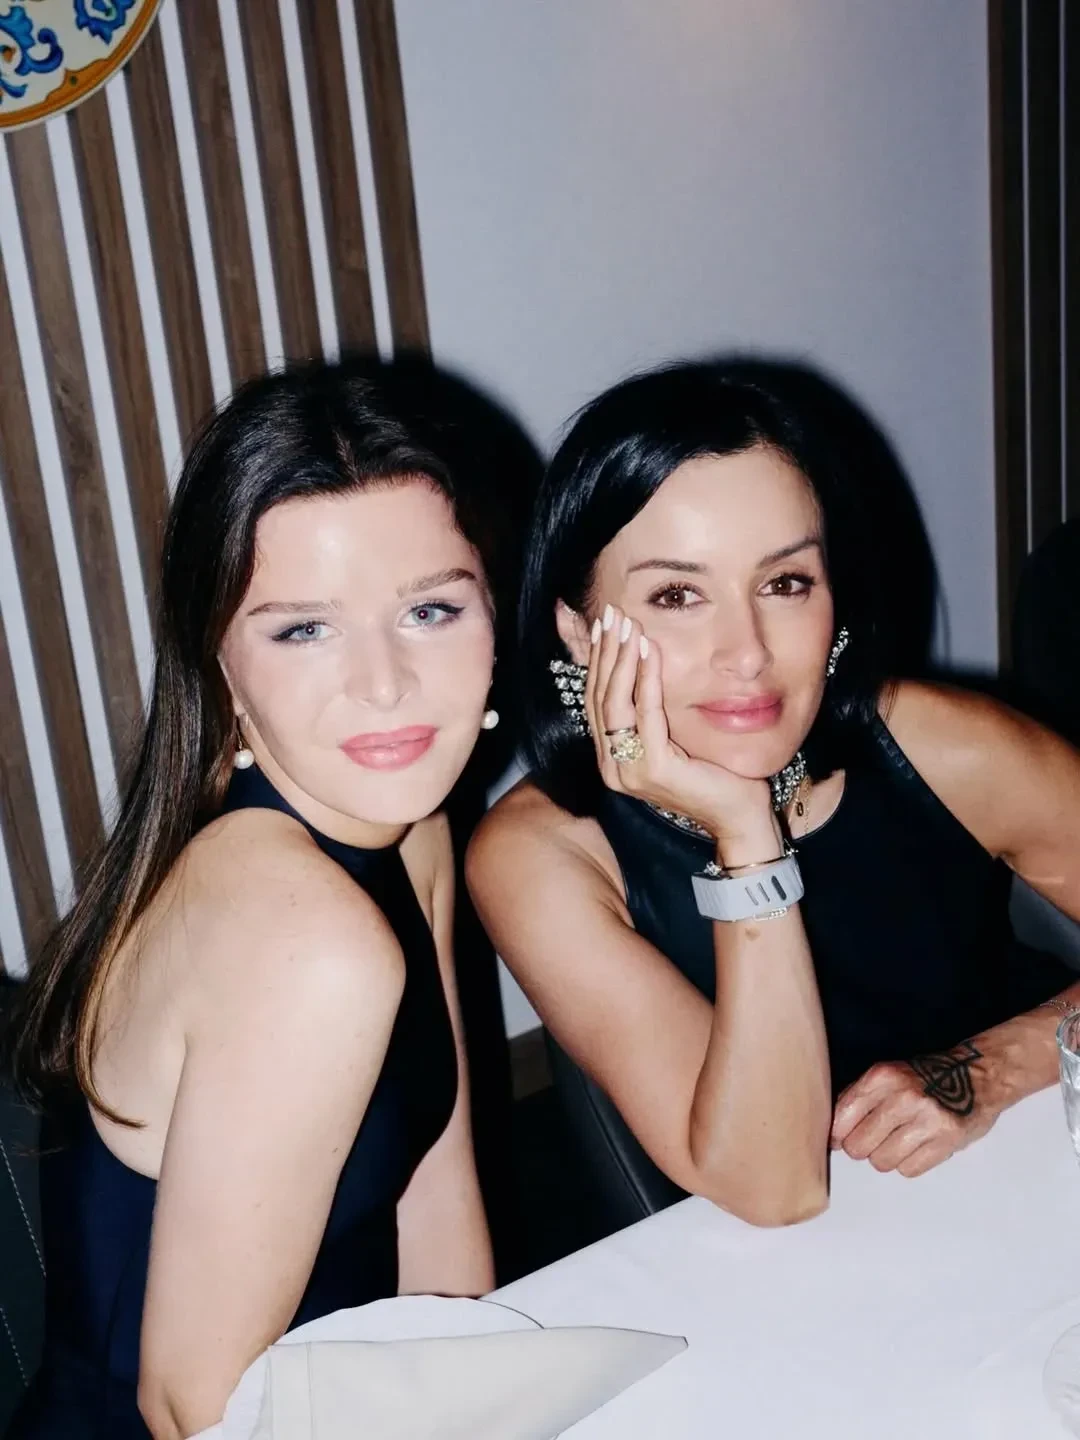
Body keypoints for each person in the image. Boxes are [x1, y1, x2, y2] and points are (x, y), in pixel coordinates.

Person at [4, 359, 510, 1439]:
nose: (384, 684)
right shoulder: (306, 937)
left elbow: (436, 1204)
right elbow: (194, 1407)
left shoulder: (412, 834)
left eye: (430, 610)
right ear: (223, 665)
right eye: (303, 629)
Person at [467, 359, 1080, 1230]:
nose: (747, 650)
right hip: (780, 1272)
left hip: (1033, 1177)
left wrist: (991, 1069)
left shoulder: (945, 744)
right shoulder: (537, 855)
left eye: (785, 583)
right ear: (579, 629)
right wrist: (745, 834)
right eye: (678, 595)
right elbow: (775, 1186)